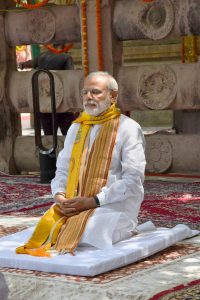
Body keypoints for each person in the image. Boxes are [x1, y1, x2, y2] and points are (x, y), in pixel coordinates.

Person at [16, 71, 146, 256]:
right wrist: (60, 196)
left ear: (113, 96)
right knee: (48, 228)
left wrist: (93, 201)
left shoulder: (129, 128)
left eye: (96, 92)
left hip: (113, 205)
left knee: (89, 233)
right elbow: (62, 168)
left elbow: (133, 181)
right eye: (85, 92)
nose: (88, 97)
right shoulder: (77, 127)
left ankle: (120, 228)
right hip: (76, 203)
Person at [19, 45, 76, 135]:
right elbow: (71, 78)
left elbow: (29, 63)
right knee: (69, 135)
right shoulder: (66, 57)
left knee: (49, 136)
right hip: (61, 103)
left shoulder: (42, 56)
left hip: (44, 103)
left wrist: (21, 65)